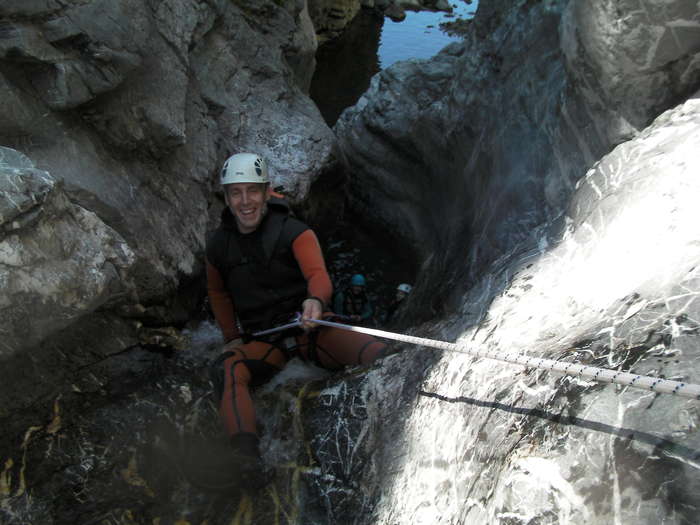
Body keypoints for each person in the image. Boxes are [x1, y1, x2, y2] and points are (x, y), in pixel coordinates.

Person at [205, 153, 388, 487]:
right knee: (228, 367)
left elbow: (318, 275)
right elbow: (218, 294)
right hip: (265, 340)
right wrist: (231, 335)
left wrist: (315, 301)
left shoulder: (294, 232)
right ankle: (246, 457)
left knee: (376, 352)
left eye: (252, 191)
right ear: (227, 197)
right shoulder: (219, 246)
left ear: (266, 191)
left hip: (310, 327)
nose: (244, 201)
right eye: (235, 193)